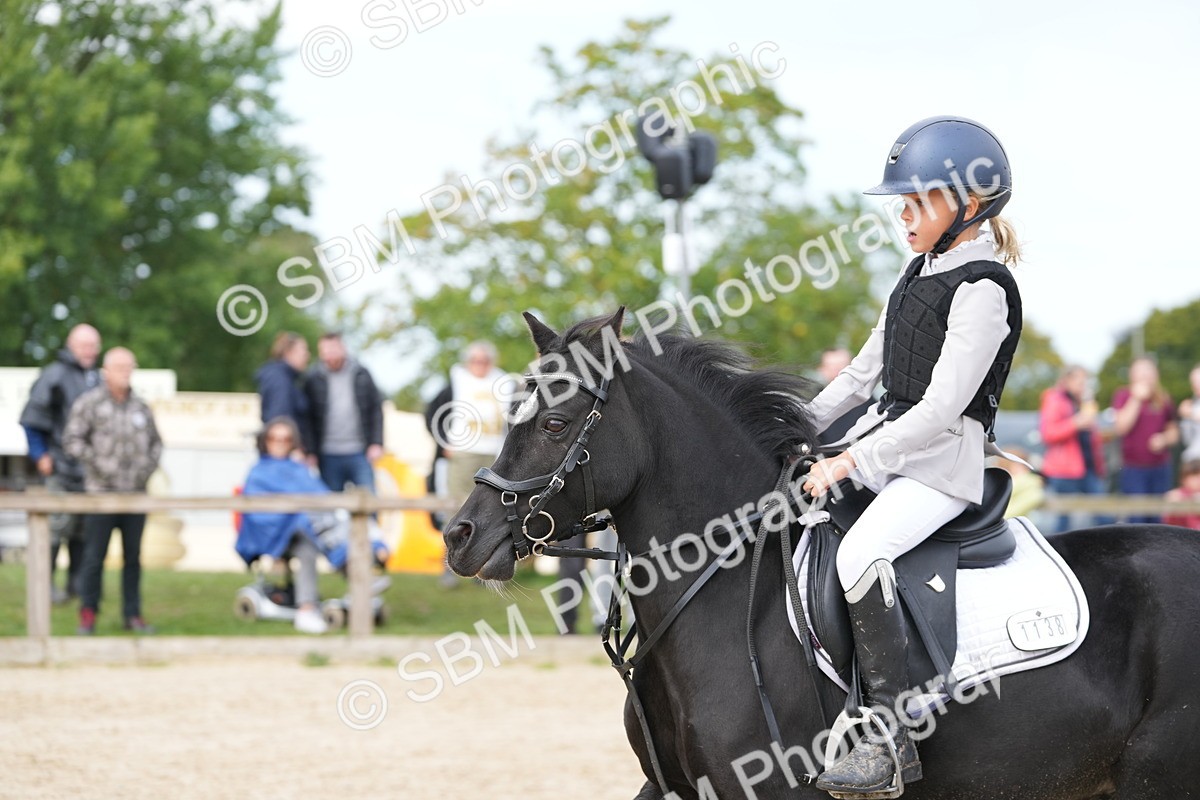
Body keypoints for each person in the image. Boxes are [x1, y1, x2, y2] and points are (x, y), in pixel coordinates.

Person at [801, 116, 1023, 795]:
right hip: (893, 446)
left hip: (941, 465)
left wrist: (850, 462)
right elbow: (860, 376)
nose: (902, 213)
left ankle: (890, 738)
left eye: (917, 200)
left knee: (859, 554)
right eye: (904, 201)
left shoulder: (984, 289)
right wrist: (793, 427)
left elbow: (940, 410)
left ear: (969, 205)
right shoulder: (916, 270)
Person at [237, 417, 389, 634]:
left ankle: (320, 599)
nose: (279, 443)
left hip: (305, 531)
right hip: (271, 534)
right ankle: (349, 576)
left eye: (286, 438)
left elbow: (322, 497)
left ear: (293, 442)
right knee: (306, 526)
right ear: (265, 441)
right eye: (274, 438)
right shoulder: (258, 472)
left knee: (315, 533)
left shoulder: (299, 469)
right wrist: (290, 517)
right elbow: (256, 513)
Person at [63, 347, 162, 635]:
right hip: (100, 496)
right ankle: (88, 614)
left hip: (135, 496)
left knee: (134, 558)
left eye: (129, 367)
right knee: (94, 557)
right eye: (119, 367)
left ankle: (132, 615)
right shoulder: (90, 403)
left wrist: (145, 469)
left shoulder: (141, 407)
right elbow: (72, 440)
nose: (125, 372)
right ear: (106, 371)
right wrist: (99, 466)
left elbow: (157, 443)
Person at [19, 323, 102, 604]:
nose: (89, 351)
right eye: (84, 345)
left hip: (89, 472)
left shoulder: (97, 378)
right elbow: (32, 419)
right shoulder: (54, 376)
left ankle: (75, 585)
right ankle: (45, 586)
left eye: (93, 346)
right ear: (71, 345)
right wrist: (39, 454)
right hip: (60, 468)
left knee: (81, 531)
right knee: (54, 530)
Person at [425, 341, 509, 586]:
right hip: (462, 454)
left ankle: (482, 567)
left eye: (484, 361)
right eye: (475, 360)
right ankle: (450, 565)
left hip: (493, 455)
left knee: (491, 511)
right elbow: (432, 413)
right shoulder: (456, 381)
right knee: (457, 510)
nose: (479, 365)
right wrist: (443, 444)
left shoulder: (503, 381)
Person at [304, 332, 385, 492]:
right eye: (325, 351)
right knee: (331, 506)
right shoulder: (312, 378)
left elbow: (375, 409)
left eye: (333, 350)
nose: (329, 356)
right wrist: (310, 451)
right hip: (327, 453)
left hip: (359, 451)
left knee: (368, 501)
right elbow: (308, 418)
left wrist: (376, 443)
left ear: (343, 348)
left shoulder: (361, 373)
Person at [1039, 366, 1108, 532]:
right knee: (1064, 519)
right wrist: (1075, 423)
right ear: (1066, 381)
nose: (1083, 385)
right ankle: (1059, 554)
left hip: (1089, 467)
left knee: (1104, 513)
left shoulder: (1084, 403)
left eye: (1085, 381)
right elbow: (1048, 434)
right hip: (1064, 471)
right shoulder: (1055, 400)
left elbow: (1090, 437)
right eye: (1079, 380)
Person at [1111, 357, 1178, 523]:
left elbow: (1174, 432)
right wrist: (1136, 399)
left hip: (1159, 467)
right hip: (1134, 468)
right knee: (1137, 518)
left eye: (1148, 371)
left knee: (1157, 517)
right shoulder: (1123, 395)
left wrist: (1164, 439)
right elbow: (1121, 427)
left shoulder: (1164, 399)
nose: (1145, 376)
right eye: (1140, 372)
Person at [255, 331, 314, 454]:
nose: (307, 355)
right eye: (303, 350)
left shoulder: (285, 378)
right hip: (285, 455)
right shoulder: (281, 380)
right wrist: (294, 450)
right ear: (288, 353)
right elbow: (280, 421)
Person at [817, 347, 876, 445]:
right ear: (822, 369)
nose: (837, 372)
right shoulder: (814, 405)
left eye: (841, 366)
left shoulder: (870, 404)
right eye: (831, 367)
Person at [1164, 460, 1200, 530]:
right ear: (1184, 479)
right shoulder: (1176, 495)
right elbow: (1169, 522)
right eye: (1195, 476)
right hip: (1181, 537)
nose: (1199, 480)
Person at [1178, 365, 1200, 463]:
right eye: (1194, 382)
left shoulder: (1191, 410)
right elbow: (1187, 440)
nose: (1197, 385)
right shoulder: (1192, 405)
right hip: (1194, 460)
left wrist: (1191, 413)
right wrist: (1185, 419)